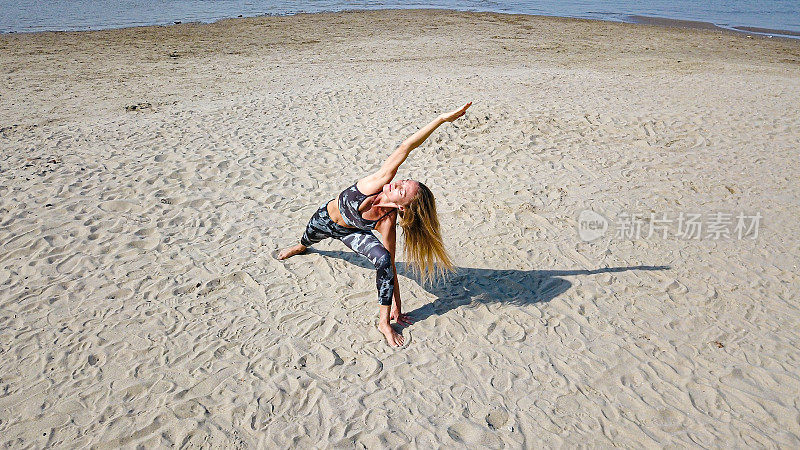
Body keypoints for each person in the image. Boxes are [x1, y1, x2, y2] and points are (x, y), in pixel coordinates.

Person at [277, 102, 472, 347]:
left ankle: (383, 323)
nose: (397, 183)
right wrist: (442, 119)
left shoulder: (387, 222)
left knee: (383, 260)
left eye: (402, 190)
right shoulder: (377, 182)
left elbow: (390, 267)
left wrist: (396, 305)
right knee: (308, 238)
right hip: (326, 219)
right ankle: (300, 246)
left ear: (402, 206)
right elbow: (406, 147)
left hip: (352, 233)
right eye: (404, 181)